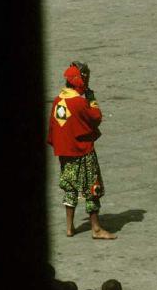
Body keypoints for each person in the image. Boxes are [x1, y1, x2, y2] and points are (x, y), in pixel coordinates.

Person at [47, 62, 117, 240]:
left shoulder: (57, 101)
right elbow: (96, 117)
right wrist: (92, 100)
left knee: (69, 187)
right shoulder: (79, 102)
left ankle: (69, 227)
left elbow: (54, 128)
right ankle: (96, 228)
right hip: (82, 152)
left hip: (65, 153)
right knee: (92, 187)